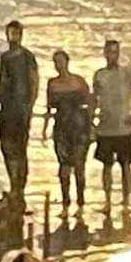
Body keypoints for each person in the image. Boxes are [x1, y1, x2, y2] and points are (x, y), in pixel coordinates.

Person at [90, 39, 131, 214]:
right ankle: (107, 201)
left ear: (118, 54)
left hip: (123, 128)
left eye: (115, 52)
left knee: (125, 165)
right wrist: (91, 123)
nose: (112, 56)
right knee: (106, 165)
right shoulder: (99, 75)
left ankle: (126, 203)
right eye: (109, 52)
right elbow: (94, 99)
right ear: (104, 53)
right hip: (105, 127)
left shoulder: (127, 73)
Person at [0, 21, 38, 209]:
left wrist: (30, 106)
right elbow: (2, 82)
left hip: (21, 110)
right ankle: (13, 187)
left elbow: (34, 81)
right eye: (10, 33)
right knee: (7, 148)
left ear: (21, 35)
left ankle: (20, 190)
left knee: (20, 151)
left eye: (16, 33)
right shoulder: (5, 58)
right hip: (7, 110)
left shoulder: (27, 57)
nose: (13, 37)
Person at [42, 50, 92, 215]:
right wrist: (44, 129)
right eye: (56, 62)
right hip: (61, 128)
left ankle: (81, 204)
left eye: (61, 61)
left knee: (79, 167)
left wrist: (92, 127)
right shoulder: (52, 84)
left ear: (67, 62)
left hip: (79, 127)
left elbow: (90, 103)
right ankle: (65, 204)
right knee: (63, 168)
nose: (59, 65)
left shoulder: (79, 81)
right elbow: (49, 109)